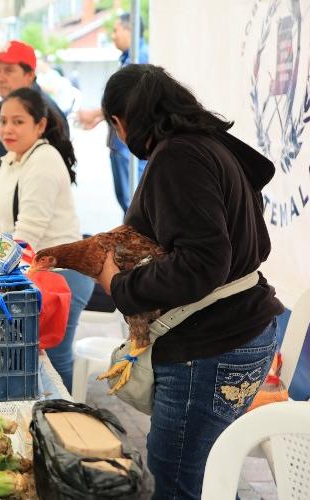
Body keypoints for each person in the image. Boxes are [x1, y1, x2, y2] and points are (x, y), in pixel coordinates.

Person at [96, 64, 284, 499]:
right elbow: (242, 247)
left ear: (121, 122)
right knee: (208, 473)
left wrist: (119, 285)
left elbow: (203, 263)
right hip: (244, 331)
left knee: (178, 476)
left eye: (115, 126)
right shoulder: (211, 147)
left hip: (211, 347)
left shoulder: (177, 157)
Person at [0, 87, 93, 391]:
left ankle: (74, 427)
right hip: (31, 271)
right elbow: (4, 222)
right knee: (36, 359)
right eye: (3, 121)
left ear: (40, 125)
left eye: (18, 122)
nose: (8, 128)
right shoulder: (13, 158)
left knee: (55, 361)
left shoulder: (43, 162)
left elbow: (26, 237)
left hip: (59, 277)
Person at [0, 40, 69, 213]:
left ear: (30, 75)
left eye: (9, 70)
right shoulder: (1, 107)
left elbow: (44, 185)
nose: (0, 78)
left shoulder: (46, 113)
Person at [78, 12, 149, 213]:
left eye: (116, 30)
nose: (113, 36)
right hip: (120, 144)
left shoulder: (140, 59)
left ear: (130, 28)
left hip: (129, 146)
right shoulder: (129, 58)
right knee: (127, 203)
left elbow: (127, 101)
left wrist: (97, 113)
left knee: (132, 205)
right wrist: (100, 116)